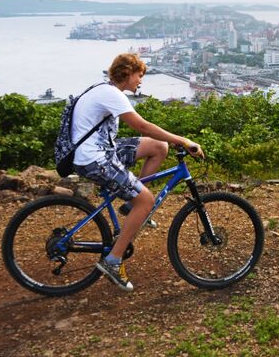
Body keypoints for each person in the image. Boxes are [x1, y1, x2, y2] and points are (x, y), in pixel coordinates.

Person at [72, 53, 203, 291]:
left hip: (103, 151)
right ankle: (113, 260)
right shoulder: (111, 94)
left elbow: (149, 134)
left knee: (158, 146)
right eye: (139, 76)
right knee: (147, 200)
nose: (141, 81)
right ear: (127, 73)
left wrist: (170, 141)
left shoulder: (106, 89)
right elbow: (142, 125)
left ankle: (132, 206)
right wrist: (183, 140)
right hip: (95, 159)